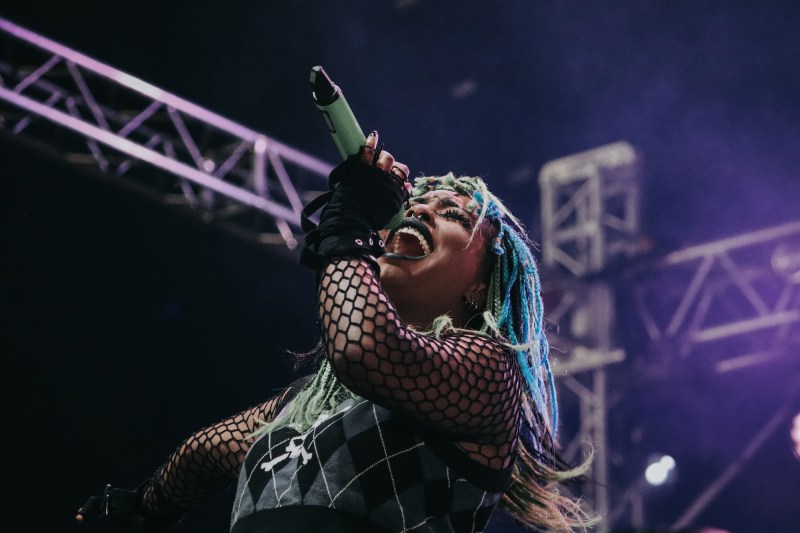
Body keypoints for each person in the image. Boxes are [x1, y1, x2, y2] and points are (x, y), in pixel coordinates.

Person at [76, 131, 596, 532]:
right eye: (415, 203)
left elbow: (365, 350)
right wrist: (142, 510)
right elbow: (204, 452)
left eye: (453, 214)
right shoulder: (309, 406)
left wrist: (347, 224)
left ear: (482, 285)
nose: (419, 208)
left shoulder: (490, 374)